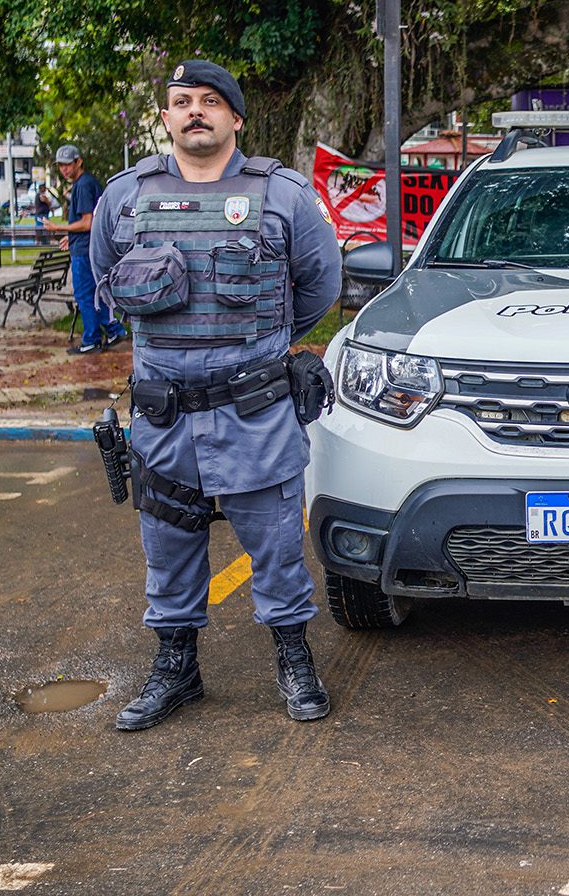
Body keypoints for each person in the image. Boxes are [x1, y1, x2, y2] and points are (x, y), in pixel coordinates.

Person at [89, 60, 342, 732]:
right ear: (167, 118)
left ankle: (293, 658)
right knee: (167, 547)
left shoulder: (283, 195)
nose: (194, 111)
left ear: (235, 117)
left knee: (278, 545)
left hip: (254, 410)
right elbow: (108, 284)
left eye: (209, 101)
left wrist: (258, 348)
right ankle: (177, 668)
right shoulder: (123, 197)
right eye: (181, 101)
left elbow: (319, 285)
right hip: (164, 415)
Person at [44, 145, 125, 354]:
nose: (64, 170)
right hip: (87, 245)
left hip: (84, 250)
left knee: (85, 294)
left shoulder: (82, 185)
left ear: (79, 162)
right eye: (61, 166)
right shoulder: (87, 183)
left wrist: (58, 227)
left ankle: (92, 338)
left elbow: (87, 222)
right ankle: (113, 329)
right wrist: (70, 236)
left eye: (68, 164)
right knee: (95, 292)